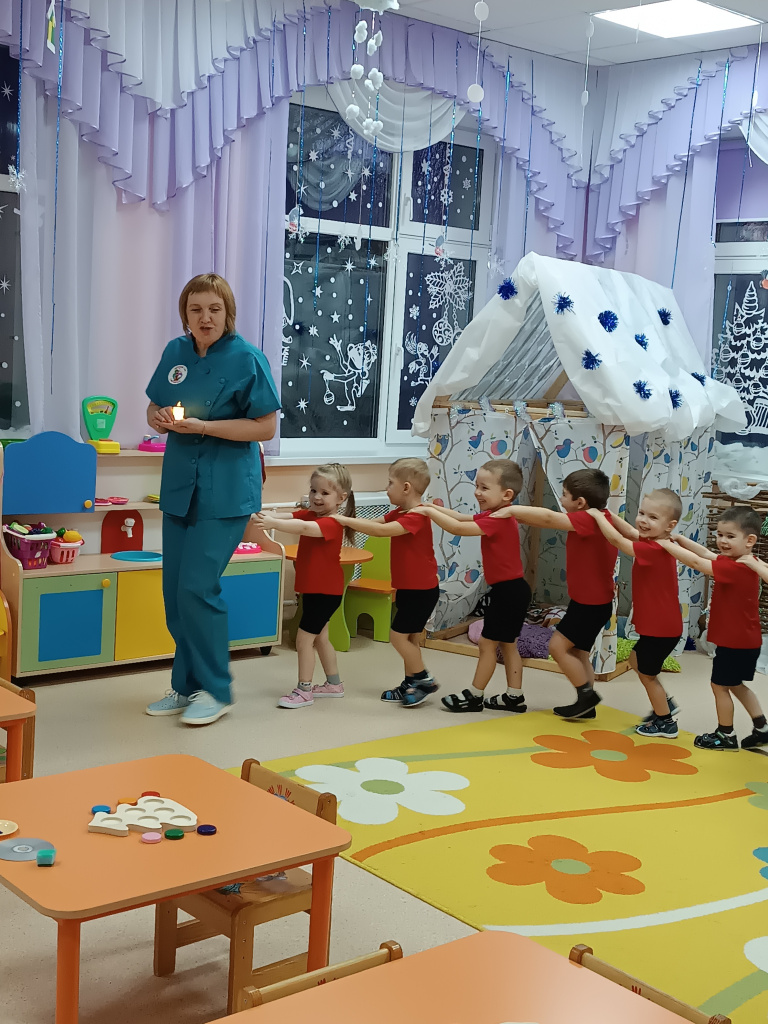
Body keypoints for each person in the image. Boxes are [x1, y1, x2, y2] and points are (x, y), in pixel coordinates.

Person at [144, 273, 280, 726]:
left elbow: (265, 427)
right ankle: (186, 686)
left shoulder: (247, 358)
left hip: (225, 491)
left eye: (214, 309)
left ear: (228, 313)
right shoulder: (175, 352)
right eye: (196, 309)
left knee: (197, 589)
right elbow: (154, 405)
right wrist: (158, 418)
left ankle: (216, 690)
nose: (205, 317)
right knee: (174, 595)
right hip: (179, 487)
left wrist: (204, 427)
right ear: (185, 314)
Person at [491, 469, 615, 720]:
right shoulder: (603, 516)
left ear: (580, 502)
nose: (561, 499)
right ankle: (587, 705)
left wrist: (511, 510)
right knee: (579, 653)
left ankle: (586, 695)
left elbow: (549, 518)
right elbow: (547, 519)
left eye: (565, 495)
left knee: (557, 647)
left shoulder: (586, 520)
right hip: (597, 603)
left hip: (589, 604)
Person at [415, 460, 531, 713]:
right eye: (476, 486)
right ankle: (514, 696)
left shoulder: (498, 519)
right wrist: (429, 506)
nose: (477, 492)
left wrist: (428, 514)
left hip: (508, 592)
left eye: (484, 488)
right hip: (513, 591)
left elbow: (458, 527)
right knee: (508, 644)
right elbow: (460, 517)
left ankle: (474, 696)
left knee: (487, 644)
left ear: (506, 494)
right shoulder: (495, 514)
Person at [333, 457, 440, 708]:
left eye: (390, 483)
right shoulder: (399, 512)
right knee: (409, 640)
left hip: (422, 591)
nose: (386, 487)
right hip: (408, 588)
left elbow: (382, 532)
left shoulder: (416, 516)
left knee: (398, 637)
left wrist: (345, 521)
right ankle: (411, 684)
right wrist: (343, 522)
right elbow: (375, 524)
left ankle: (424, 679)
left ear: (406, 487)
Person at [661, 506, 768, 751]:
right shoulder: (741, 561)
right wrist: (680, 539)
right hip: (745, 641)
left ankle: (725, 735)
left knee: (719, 685)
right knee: (735, 684)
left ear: (750, 540)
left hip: (735, 643)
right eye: (719, 534)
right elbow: (707, 554)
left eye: (730, 536)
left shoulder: (737, 568)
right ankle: (762, 727)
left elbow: (698, 563)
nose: (722, 541)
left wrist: (666, 545)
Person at [254, 464, 355, 709]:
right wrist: (261, 516)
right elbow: (291, 517)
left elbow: (303, 528)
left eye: (324, 493)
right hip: (315, 589)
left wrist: (272, 524)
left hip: (325, 592)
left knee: (303, 640)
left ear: (341, 498)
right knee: (321, 638)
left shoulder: (331, 523)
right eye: (313, 490)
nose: (316, 497)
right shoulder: (311, 514)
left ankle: (304, 690)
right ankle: (334, 684)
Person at [586, 489, 683, 737]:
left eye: (653, 517)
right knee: (636, 660)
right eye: (642, 513)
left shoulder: (656, 548)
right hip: (660, 626)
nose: (643, 520)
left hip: (662, 628)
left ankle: (666, 722)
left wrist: (596, 518)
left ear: (670, 526)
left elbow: (620, 542)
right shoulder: (652, 541)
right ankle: (665, 704)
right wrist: (607, 514)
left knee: (648, 675)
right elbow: (630, 532)